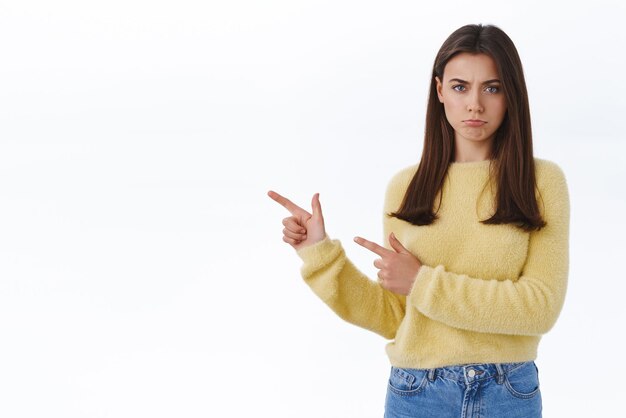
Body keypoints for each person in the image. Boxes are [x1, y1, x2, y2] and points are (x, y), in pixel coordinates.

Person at [268, 23, 569, 418]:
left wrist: (423, 282)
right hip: (417, 393)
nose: (475, 104)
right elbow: (395, 315)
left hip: (506, 392)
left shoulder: (542, 181)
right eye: (460, 87)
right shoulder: (406, 187)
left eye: (492, 88)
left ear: (511, 93)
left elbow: (540, 308)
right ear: (440, 90)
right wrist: (318, 253)